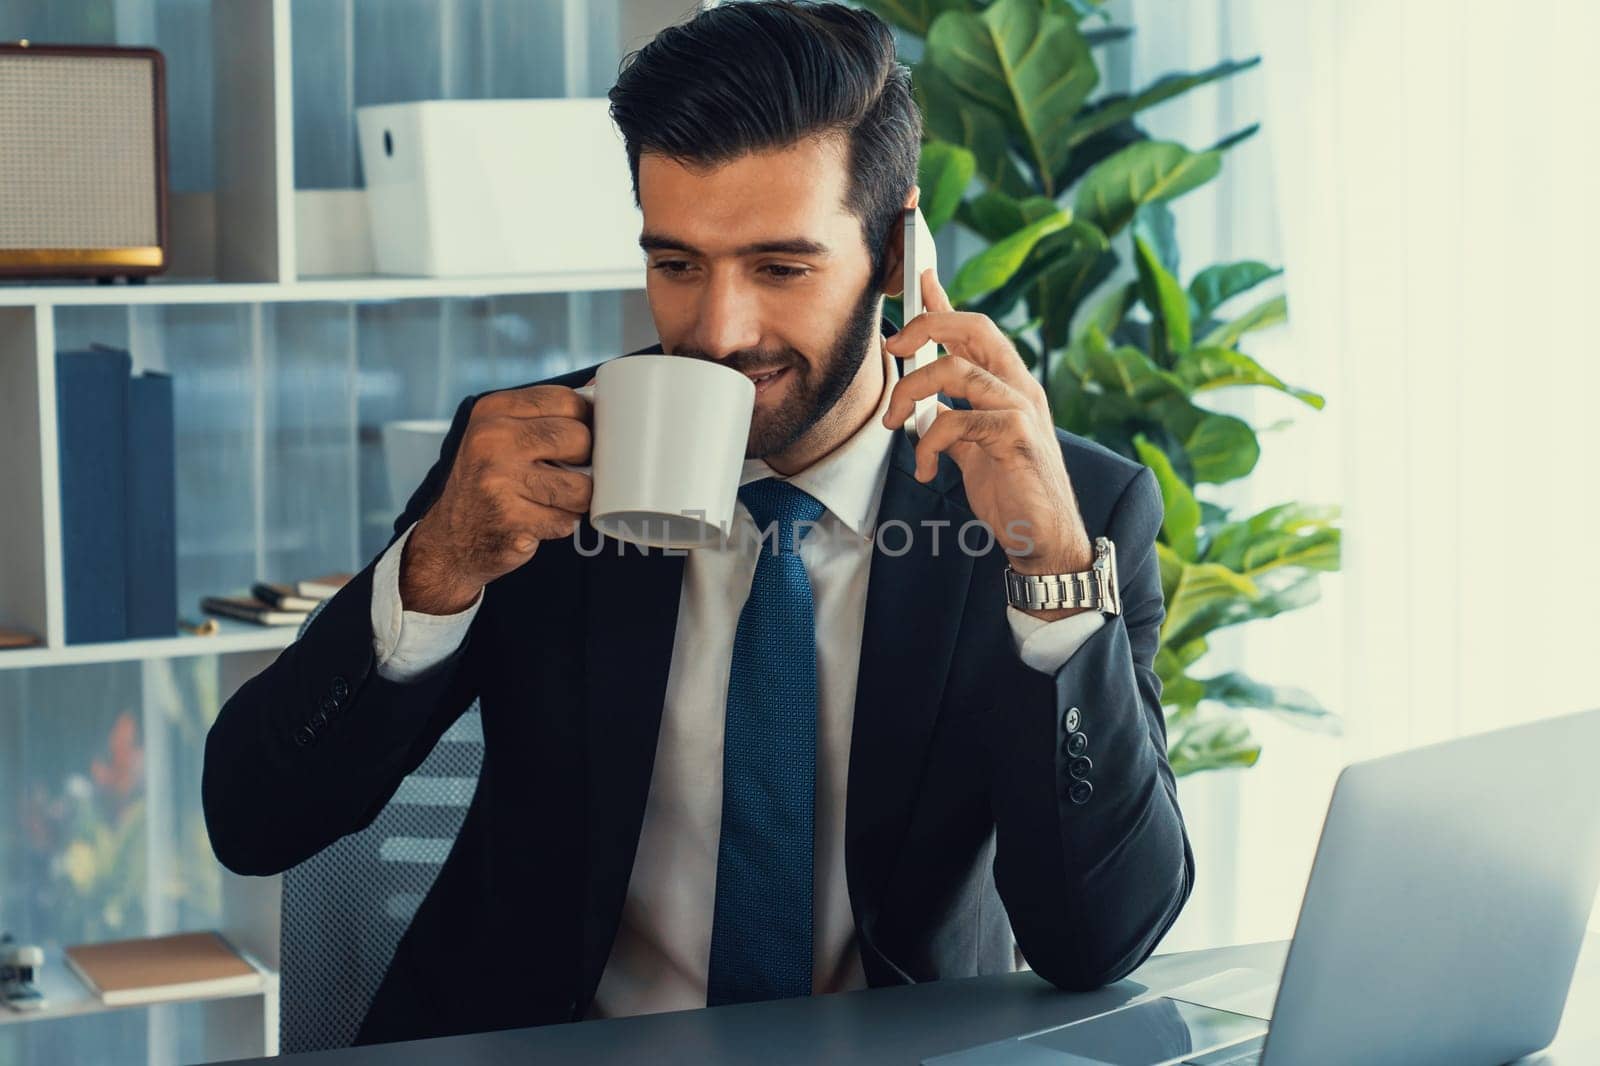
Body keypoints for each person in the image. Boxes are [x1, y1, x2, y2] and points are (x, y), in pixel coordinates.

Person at [202, 0, 1192, 1047]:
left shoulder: (1052, 510)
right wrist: (438, 563)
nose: (717, 332)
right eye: (676, 264)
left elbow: (1099, 938)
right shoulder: (533, 463)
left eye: (780, 267)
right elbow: (257, 820)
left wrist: (1049, 567)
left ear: (897, 252)